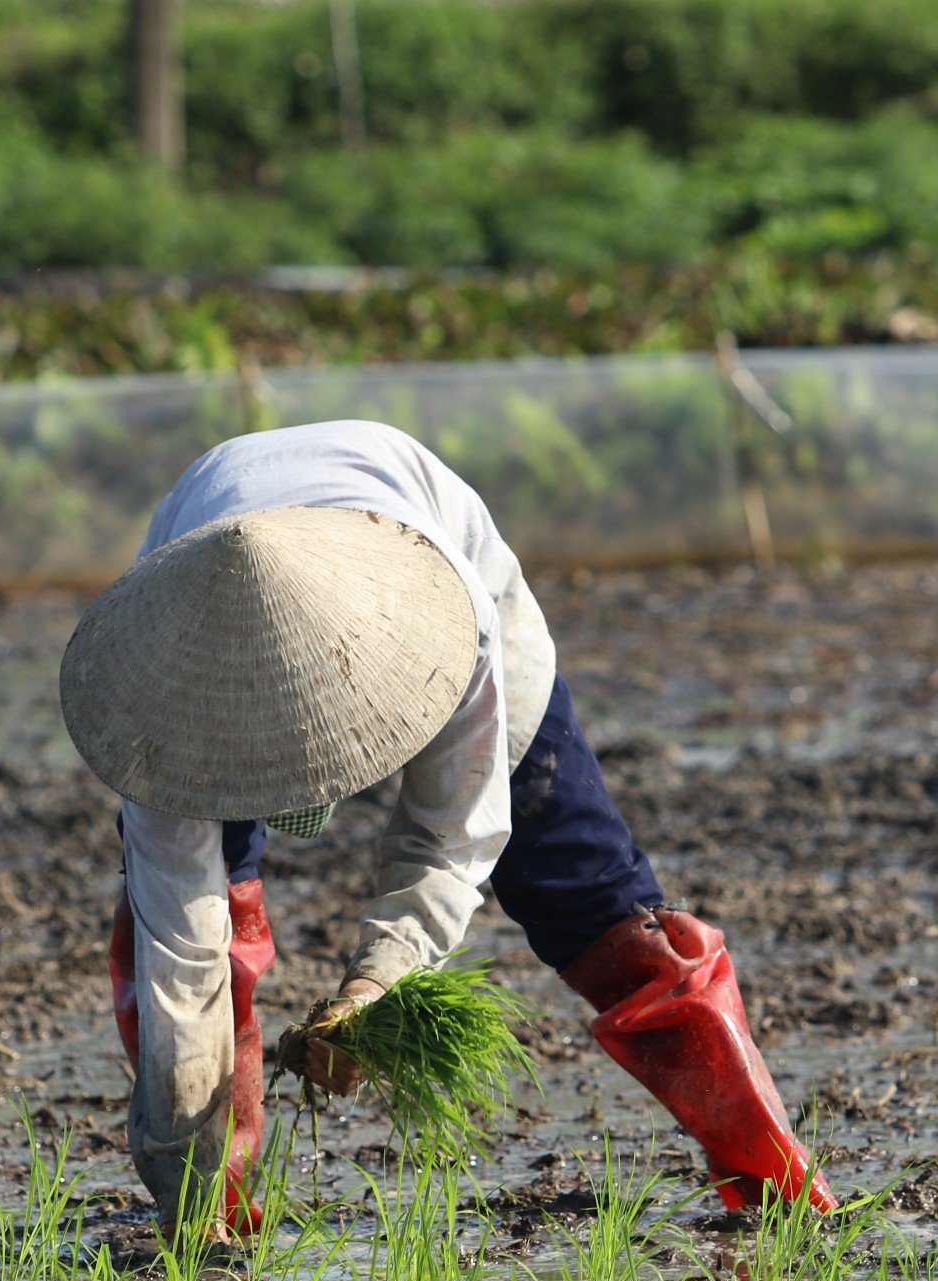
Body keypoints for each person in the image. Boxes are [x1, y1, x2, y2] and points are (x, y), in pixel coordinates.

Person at [59, 420, 836, 1238]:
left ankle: (777, 1177)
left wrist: (376, 986)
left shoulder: (447, 621)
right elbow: (180, 955)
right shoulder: (167, 708)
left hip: (419, 559)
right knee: (194, 913)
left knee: (583, 887)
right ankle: (219, 1202)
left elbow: (452, 834)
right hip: (211, 608)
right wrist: (184, 1190)